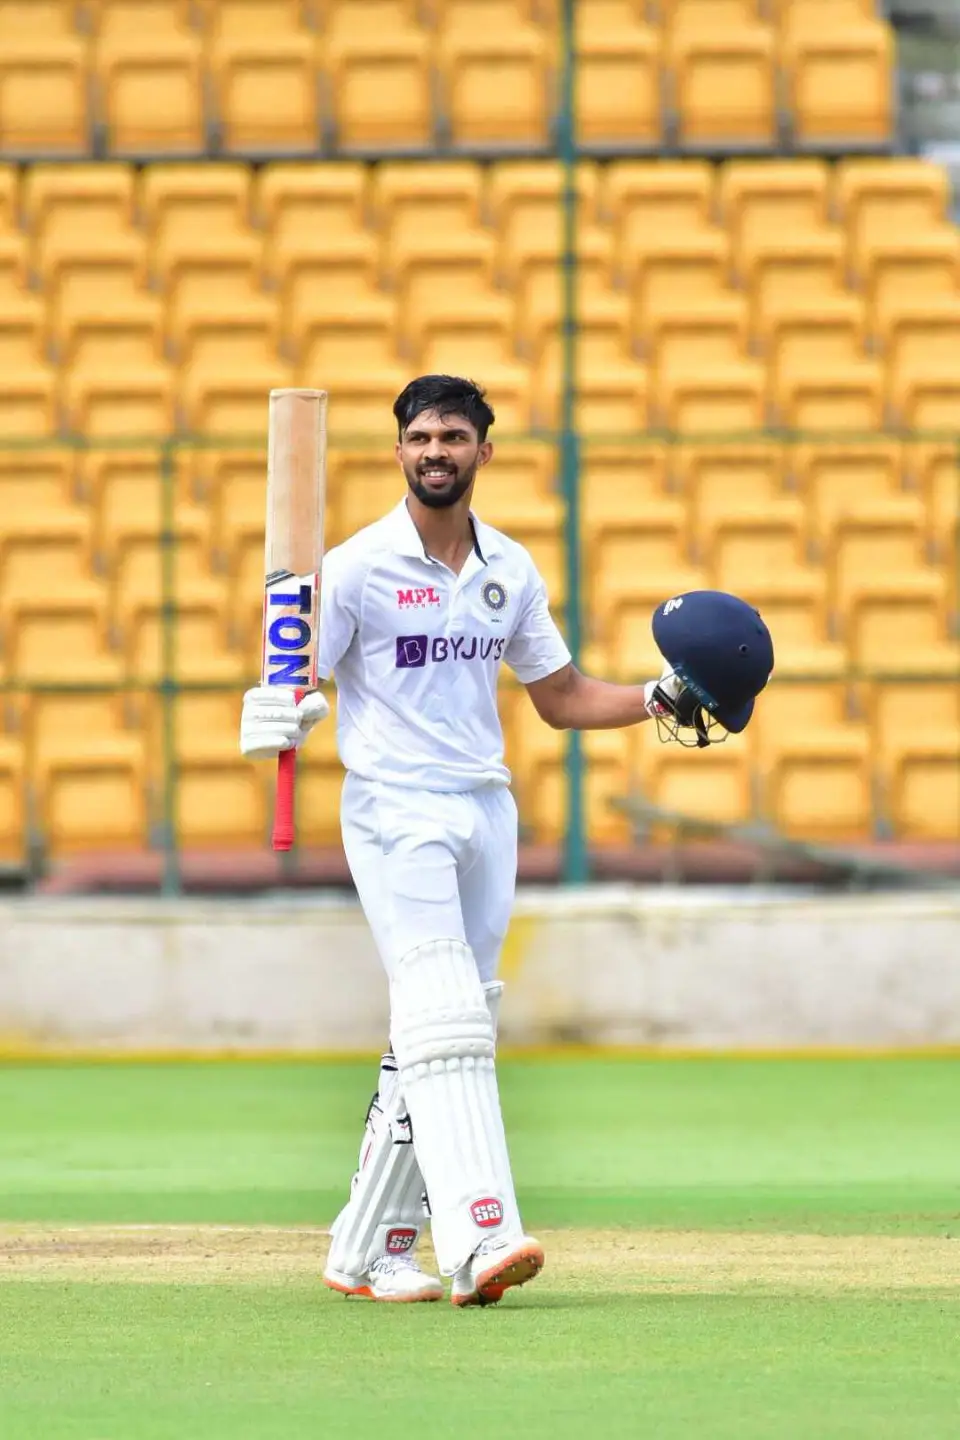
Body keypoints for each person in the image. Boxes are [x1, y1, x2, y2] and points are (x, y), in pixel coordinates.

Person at [239, 374, 773, 1307]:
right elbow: (296, 676)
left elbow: (560, 699)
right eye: (419, 437)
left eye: (453, 436)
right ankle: (482, 1234)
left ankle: (369, 1246)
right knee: (442, 1010)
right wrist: (279, 712)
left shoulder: (509, 572)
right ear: (398, 450)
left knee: (450, 1022)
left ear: (484, 451)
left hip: (485, 807)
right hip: (394, 807)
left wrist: (656, 698)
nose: (434, 451)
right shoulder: (357, 566)